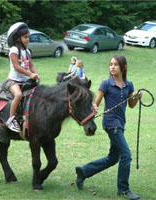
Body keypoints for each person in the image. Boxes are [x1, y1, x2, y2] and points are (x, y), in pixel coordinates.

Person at [75, 55, 142, 200]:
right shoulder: (106, 84)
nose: (112, 67)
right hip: (111, 124)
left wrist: (136, 97)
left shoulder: (129, 85)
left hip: (121, 123)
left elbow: (131, 105)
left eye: (115, 65)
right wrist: (94, 108)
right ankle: (123, 190)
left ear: (123, 67)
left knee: (113, 158)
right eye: (110, 64)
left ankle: (83, 171)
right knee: (126, 155)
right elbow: (96, 104)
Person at [5, 22, 40, 133]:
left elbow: (31, 65)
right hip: (13, 81)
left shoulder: (27, 52)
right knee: (18, 95)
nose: (28, 40)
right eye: (25, 37)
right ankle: (11, 119)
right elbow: (16, 67)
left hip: (25, 81)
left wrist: (36, 74)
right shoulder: (14, 51)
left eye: (28, 37)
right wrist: (30, 74)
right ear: (18, 38)